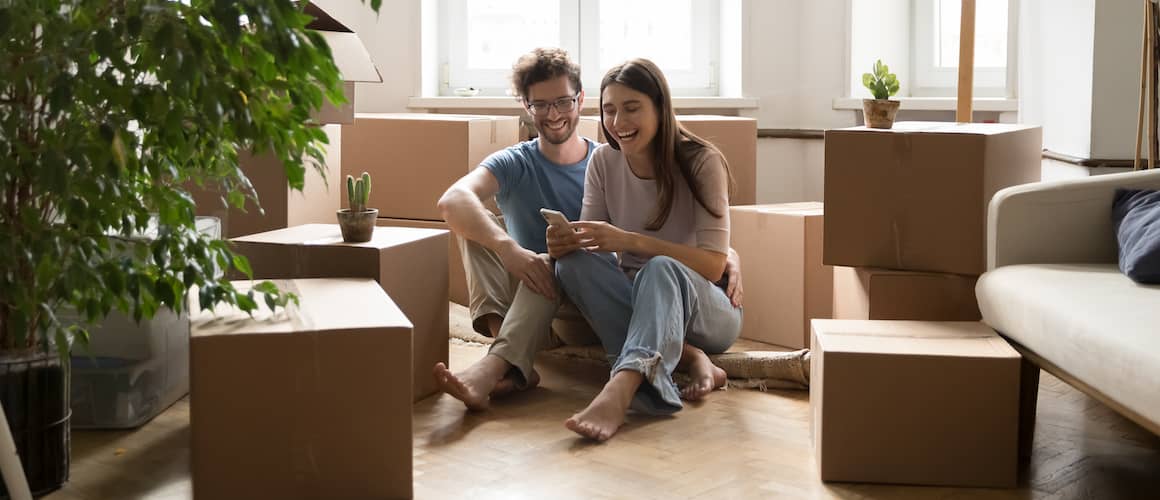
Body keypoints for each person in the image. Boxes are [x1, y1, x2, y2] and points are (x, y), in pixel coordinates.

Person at [550, 58, 743, 441]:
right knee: (572, 266)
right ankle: (686, 360)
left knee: (660, 269)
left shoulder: (702, 161)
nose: (618, 121)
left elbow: (712, 266)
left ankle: (620, 388)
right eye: (609, 110)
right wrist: (563, 243)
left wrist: (630, 241)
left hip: (709, 309)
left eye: (632, 108)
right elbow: (593, 247)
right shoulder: (603, 162)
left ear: (660, 106)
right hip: (641, 301)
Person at [432, 48, 598, 410]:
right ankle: (506, 360)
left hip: (584, 314)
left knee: (548, 261)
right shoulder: (516, 161)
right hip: (527, 313)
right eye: (540, 105)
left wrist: (724, 252)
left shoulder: (605, 162)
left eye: (563, 102)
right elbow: (453, 200)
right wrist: (508, 249)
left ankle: (497, 364)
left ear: (580, 99)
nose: (553, 115)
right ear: (526, 106)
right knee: (477, 226)